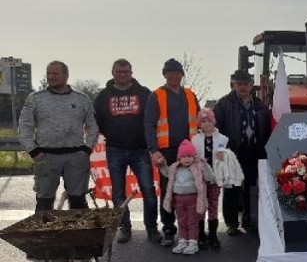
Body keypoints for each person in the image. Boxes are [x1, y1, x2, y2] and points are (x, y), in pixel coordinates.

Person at [94, 58, 160, 243]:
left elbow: (152, 119)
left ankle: (152, 229)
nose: (122, 75)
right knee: (118, 194)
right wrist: (111, 133)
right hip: (115, 149)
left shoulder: (144, 93)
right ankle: (125, 228)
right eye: (119, 72)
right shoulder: (103, 96)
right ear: (112, 73)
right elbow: (97, 120)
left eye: (126, 72)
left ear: (131, 73)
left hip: (140, 149)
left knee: (148, 190)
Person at [18, 60, 99, 211]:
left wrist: (87, 149)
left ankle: (78, 234)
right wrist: (33, 151)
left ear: (66, 76)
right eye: (48, 73)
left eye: (55, 73)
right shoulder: (35, 98)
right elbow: (24, 127)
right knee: (44, 202)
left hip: (76, 156)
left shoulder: (82, 99)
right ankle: (44, 234)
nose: (51, 77)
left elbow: (92, 125)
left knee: (78, 201)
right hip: (45, 156)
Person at [144, 58, 200, 247]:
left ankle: (193, 230)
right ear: (164, 75)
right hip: (166, 152)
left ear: (182, 75)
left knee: (193, 189)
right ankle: (169, 229)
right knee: (168, 190)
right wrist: (154, 150)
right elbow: (149, 125)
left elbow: (200, 122)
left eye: (177, 72)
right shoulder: (156, 96)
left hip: (189, 151)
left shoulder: (190, 95)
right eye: (170, 72)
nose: (174, 75)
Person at [214, 69, 271, 235]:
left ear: (251, 85)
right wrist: (220, 150)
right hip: (233, 152)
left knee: (251, 188)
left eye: (246, 83)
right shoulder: (223, 104)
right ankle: (232, 223)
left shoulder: (260, 105)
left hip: (254, 152)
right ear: (234, 84)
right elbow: (216, 128)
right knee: (232, 188)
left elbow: (266, 129)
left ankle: (249, 219)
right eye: (239, 84)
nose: (243, 87)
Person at [160, 140, 215, 256]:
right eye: (184, 156)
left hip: (193, 200)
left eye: (189, 156)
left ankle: (193, 243)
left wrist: (205, 165)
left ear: (194, 157)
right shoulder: (175, 168)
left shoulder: (198, 167)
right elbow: (166, 173)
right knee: (181, 221)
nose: (187, 159)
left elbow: (210, 177)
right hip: (179, 200)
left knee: (192, 222)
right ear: (179, 158)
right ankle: (182, 241)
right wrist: (162, 165)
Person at [191, 108, 228, 249]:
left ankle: (213, 235)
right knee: (200, 206)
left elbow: (226, 159)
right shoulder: (195, 139)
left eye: (208, 121)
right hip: (200, 179)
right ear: (199, 123)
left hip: (215, 178)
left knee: (213, 205)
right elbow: (192, 159)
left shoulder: (223, 139)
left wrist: (224, 157)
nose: (206, 124)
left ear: (213, 122)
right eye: (203, 121)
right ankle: (201, 235)